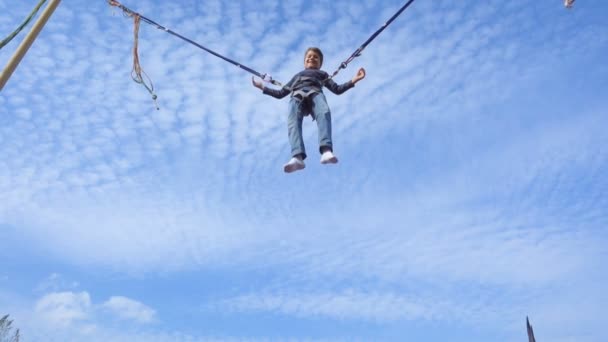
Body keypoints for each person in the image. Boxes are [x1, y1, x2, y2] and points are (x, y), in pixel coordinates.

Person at [252, 47, 366, 173]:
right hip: (296, 96)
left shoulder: (322, 74)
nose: (312, 58)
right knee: (292, 121)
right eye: (309, 57)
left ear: (320, 64)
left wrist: (355, 79)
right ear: (305, 62)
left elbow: (337, 89)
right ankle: (297, 157)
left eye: (316, 57)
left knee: (324, 113)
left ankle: (326, 151)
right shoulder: (297, 76)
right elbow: (280, 93)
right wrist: (262, 87)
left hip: (315, 93)